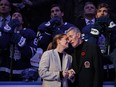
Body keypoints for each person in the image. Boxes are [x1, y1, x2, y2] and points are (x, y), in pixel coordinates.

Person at [0, 11, 37, 81]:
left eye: (19, 15)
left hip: (23, 73)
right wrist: (7, 31)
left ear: (22, 21)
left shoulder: (29, 33)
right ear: (10, 20)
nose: (16, 16)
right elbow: (1, 46)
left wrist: (21, 43)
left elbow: (31, 53)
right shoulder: (3, 31)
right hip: (4, 72)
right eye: (14, 15)